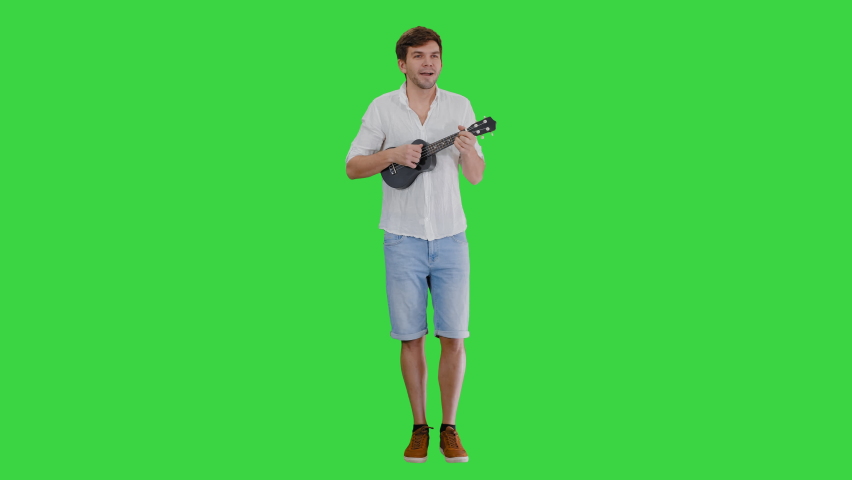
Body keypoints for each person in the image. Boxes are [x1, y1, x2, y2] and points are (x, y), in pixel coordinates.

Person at [345, 26, 486, 463]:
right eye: (419, 55)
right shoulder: (382, 108)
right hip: (401, 238)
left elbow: (477, 176)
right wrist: (393, 154)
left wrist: (467, 150)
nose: (429, 63)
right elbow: (352, 167)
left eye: (436, 55)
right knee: (410, 337)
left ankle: (450, 427)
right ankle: (419, 426)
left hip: (450, 238)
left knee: (454, 336)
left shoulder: (460, 107)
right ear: (402, 63)